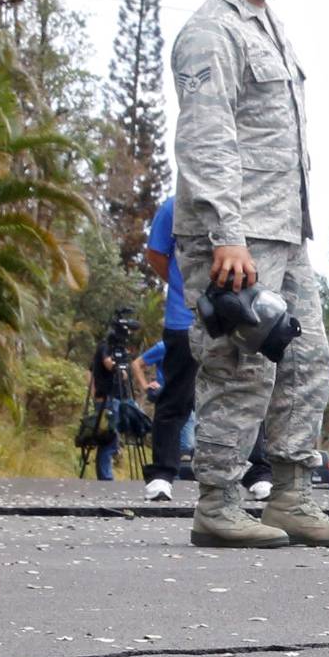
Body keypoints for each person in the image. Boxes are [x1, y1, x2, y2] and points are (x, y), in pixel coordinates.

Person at [168, 0, 329, 550]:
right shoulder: (211, 32)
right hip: (237, 238)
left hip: (283, 231)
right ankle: (218, 501)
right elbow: (207, 136)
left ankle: (291, 494)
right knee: (240, 367)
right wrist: (227, 235)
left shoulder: (268, 27)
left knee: (306, 360)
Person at [141, 196, 196, 501]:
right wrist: (181, 286)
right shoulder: (172, 207)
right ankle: (163, 474)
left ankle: (257, 472)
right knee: (175, 396)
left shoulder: (240, 200)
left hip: (233, 317)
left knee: (247, 394)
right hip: (183, 318)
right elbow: (156, 253)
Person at [87, 313, 149, 480]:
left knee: (116, 436)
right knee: (108, 438)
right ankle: (106, 479)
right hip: (105, 399)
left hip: (117, 397)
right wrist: (117, 367)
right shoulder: (105, 346)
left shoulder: (120, 350)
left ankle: (110, 477)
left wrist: (123, 370)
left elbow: (125, 376)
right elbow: (107, 365)